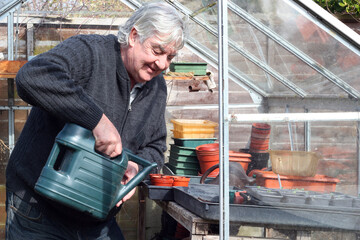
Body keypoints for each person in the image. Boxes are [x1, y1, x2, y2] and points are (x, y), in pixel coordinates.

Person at [5, 2, 187, 239]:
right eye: (157, 51)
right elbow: (32, 76)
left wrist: (134, 167)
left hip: (96, 216)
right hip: (39, 212)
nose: (162, 64)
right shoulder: (90, 53)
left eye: (170, 57)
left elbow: (155, 146)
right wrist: (96, 121)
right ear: (134, 36)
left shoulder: (156, 88)